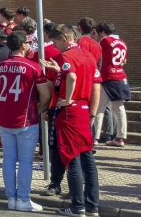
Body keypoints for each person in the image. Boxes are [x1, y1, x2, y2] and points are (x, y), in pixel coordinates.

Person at [41, 25, 101, 217]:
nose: (54, 46)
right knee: (88, 159)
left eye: (56, 42)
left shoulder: (67, 57)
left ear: (65, 40)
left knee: (72, 159)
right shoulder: (88, 56)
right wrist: (58, 70)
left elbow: (73, 76)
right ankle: (92, 206)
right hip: (83, 110)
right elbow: (89, 82)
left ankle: (78, 207)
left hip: (69, 112)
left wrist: (66, 99)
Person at [0, 31, 51, 212]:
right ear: (23, 45)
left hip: (4, 118)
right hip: (26, 119)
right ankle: (23, 199)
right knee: (25, 161)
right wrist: (39, 107)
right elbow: (46, 94)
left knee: (8, 159)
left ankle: (11, 198)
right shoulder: (33, 67)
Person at [94, 22, 130, 147]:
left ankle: (95, 137)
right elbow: (124, 60)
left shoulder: (105, 41)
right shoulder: (123, 43)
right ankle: (120, 137)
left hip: (107, 77)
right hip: (120, 76)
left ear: (102, 31)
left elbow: (96, 51)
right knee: (119, 109)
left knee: (99, 108)